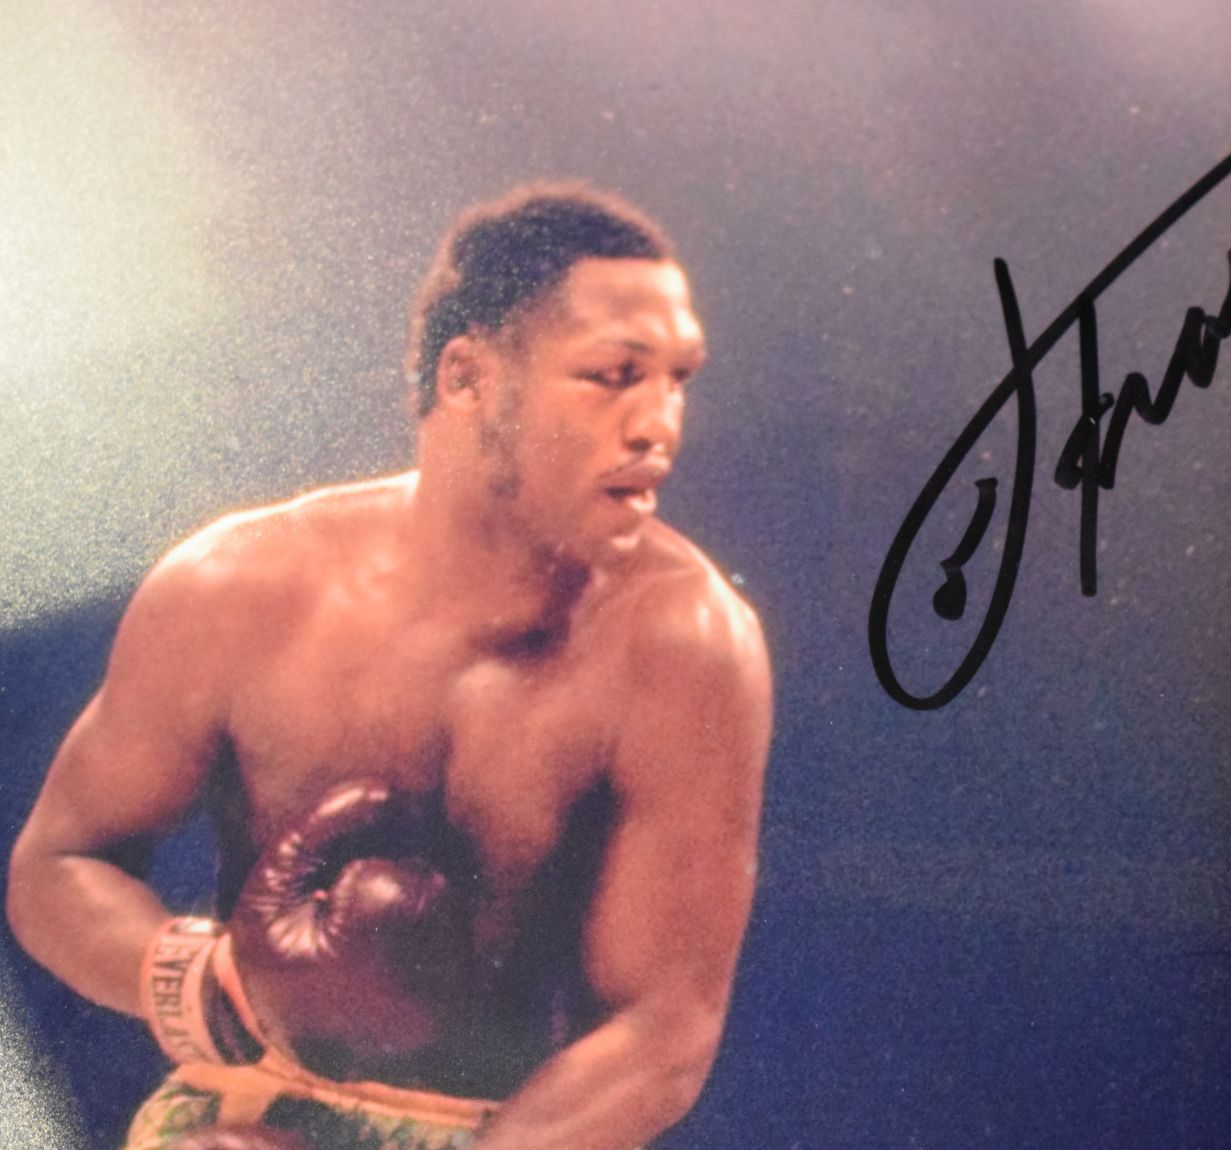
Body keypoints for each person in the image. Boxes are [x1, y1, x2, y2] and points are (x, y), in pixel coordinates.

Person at [7, 183, 773, 1150]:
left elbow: (662, 1033)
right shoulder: (238, 588)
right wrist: (211, 986)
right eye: (615, 374)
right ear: (466, 380)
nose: (659, 424)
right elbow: (57, 865)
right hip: (243, 1103)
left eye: (678, 378)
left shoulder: (685, 644)